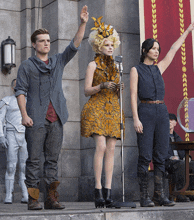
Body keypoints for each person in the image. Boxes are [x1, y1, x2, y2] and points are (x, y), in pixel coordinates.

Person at [15, 6, 89, 210]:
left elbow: (74, 46)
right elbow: (20, 91)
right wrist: (24, 115)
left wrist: (82, 23)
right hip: (35, 119)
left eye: (48, 40)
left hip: (56, 118)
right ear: (34, 44)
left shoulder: (57, 61)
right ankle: (33, 199)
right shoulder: (26, 66)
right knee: (34, 160)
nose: (46, 43)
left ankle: (51, 198)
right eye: (42, 40)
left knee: (53, 161)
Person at [130, 22, 194, 207]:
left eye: (158, 49)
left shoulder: (159, 68)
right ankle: (144, 196)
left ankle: (159, 195)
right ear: (145, 50)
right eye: (153, 48)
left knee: (160, 155)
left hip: (161, 112)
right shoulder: (136, 70)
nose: (157, 52)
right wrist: (135, 118)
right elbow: (133, 95)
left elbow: (174, 49)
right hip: (145, 111)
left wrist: (188, 31)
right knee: (145, 155)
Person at [81, 16, 124, 208]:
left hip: (113, 107)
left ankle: (108, 192)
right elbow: (86, 91)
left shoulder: (116, 66)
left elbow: (117, 90)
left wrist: (117, 87)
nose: (110, 47)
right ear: (98, 46)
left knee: (112, 149)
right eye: (106, 45)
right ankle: (97, 190)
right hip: (97, 107)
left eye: (111, 44)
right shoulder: (92, 65)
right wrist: (102, 85)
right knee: (101, 147)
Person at [0, 79, 28, 204]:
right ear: (12, 88)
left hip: (24, 135)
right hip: (11, 134)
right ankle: (9, 195)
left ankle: (25, 194)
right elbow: (0, 120)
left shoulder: (28, 100)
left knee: (24, 167)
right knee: (11, 166)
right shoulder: (6, 101)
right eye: (16, 86)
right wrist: (1, 136)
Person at [166, 113, 194, 202]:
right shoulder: (162, 136)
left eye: (172, 121)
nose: (170, 122)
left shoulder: (177, 137)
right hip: (168, 162)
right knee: (182, 164)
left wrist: (188, 158)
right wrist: (170, 157)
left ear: (175, 123)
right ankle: (180, 193)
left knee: (192, 164)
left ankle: (190, 192)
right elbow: (159, 152)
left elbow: (183, 150)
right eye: (168, 121)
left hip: (179, 161)